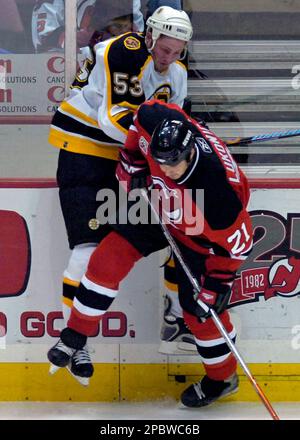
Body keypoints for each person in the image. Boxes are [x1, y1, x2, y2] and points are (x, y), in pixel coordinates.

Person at [48, 98, 253, 407]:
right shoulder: (155, 118)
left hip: (197, 231)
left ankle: (222, 379)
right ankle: (75, 335)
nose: (167, 168)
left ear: (189, 153)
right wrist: (132, 159)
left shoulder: (218, 198)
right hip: (159, 205)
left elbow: (240, 244)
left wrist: (219, 283)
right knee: (107, 258)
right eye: (161, 161)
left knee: (199, 313)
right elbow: (143, 116)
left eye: (173, 163)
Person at [48, 6, 193, 385]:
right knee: (87, 248)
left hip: (130, 158)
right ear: (149, 36)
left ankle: (177, 318)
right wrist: (154, 147)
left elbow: (174, 123)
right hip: (87, 151)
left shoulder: (176, 74)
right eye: (164, 49)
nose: (169, 58)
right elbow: (111, 117)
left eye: (177, 51)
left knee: (178, 233)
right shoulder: (123, 51)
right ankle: (76, 341)